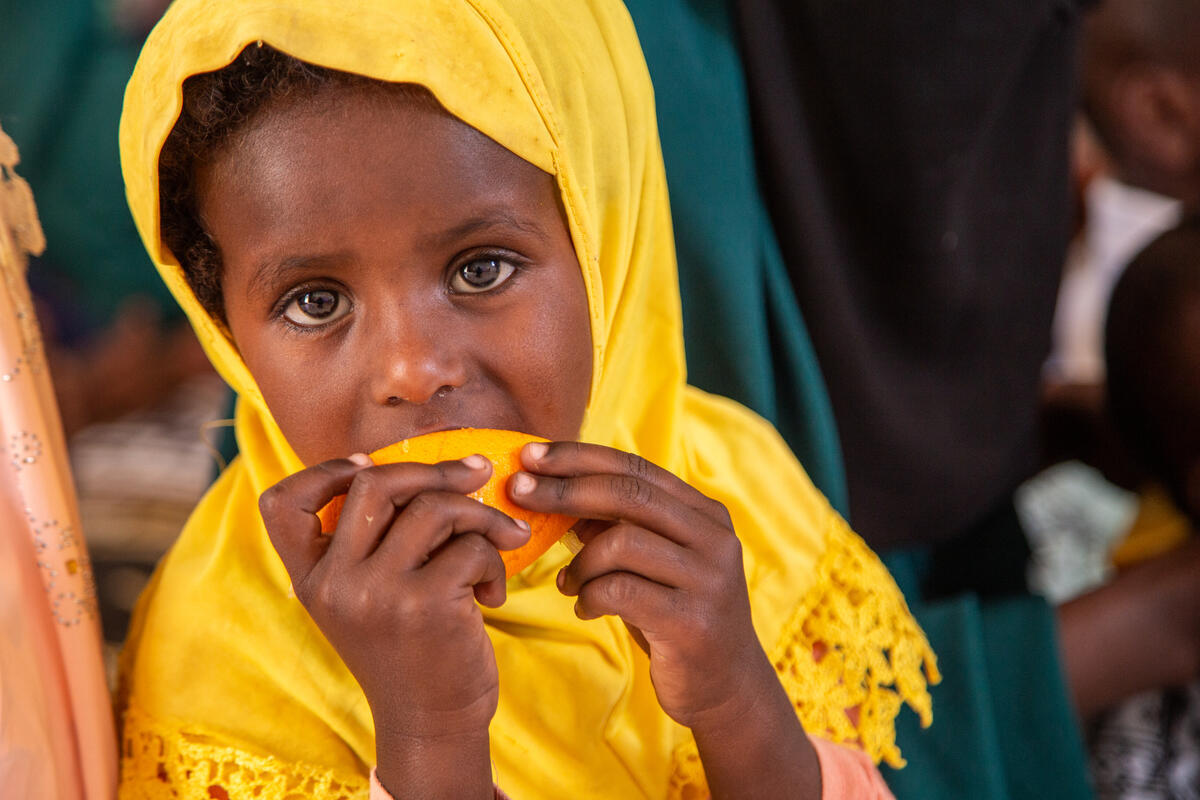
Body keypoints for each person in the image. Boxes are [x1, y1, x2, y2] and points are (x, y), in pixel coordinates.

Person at [114, 1, 938, 798]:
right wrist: (428, 739)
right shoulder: (221, 653)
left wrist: (734, 701)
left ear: (605, 253)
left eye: (481, 269)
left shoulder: (735, 496)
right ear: (223, 330)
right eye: (316, 302)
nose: (413, 369)